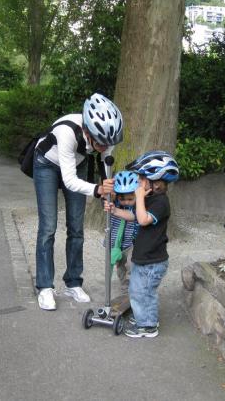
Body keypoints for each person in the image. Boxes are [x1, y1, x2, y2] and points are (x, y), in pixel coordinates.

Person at [34, 93, 124, 311]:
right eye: (101, 143)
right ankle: (45, 286)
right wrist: (97, 190)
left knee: (76, 228)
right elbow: (70, 180)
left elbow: (106, 168)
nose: (105, 147)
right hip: (47, 163)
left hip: (79, 162)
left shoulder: (106, 137)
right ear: (88, 131)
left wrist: (108, 193)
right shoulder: (66, 132)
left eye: (108, 143)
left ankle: (73, 282)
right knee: (48, 227)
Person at [108, 151, 179, 338]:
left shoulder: (161, 203)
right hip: (143, 258)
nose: (137, 182)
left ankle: (147, 326)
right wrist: (115, 210)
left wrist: (138, 198)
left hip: (153, 261)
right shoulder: (148, 200)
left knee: (144, 292)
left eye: (141, 179)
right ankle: (143, 316)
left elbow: (143, 219)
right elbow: (133, 217)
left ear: (154, 182)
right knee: (137, 290)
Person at [104, 170, 139, 294]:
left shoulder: (137, 206)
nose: (126, 202)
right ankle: (125, 286)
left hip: (131, 243)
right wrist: (108, 193)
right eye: (123, 199)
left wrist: (115, 211)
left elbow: (132, 216)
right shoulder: (114, 202)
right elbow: (105, 196)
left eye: (130, 199)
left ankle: (134, 286)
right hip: (115, 243)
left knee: (131, 264)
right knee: (120, 267)